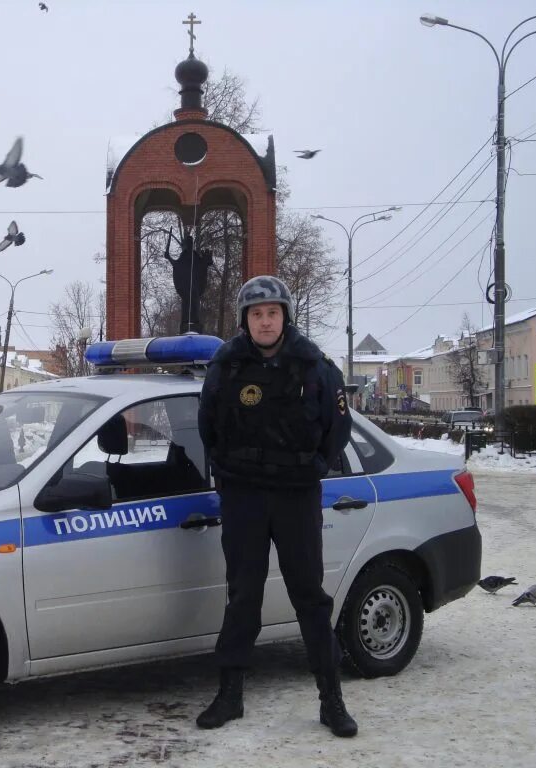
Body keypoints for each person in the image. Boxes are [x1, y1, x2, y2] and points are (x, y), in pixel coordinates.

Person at [196, 275, 358, 737]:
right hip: (244, 496)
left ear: (286, 316)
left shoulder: (316, 367)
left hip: (295, 496)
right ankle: (230, 696)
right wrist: (228, 475)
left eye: (272, 312)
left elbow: (337, 428)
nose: (265, 321)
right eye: (255, 314)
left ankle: (331, 700)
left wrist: (316, 467)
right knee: (242, 595)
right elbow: (208, 426)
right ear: (245, 320)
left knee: (309, 596)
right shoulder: (225, 366)